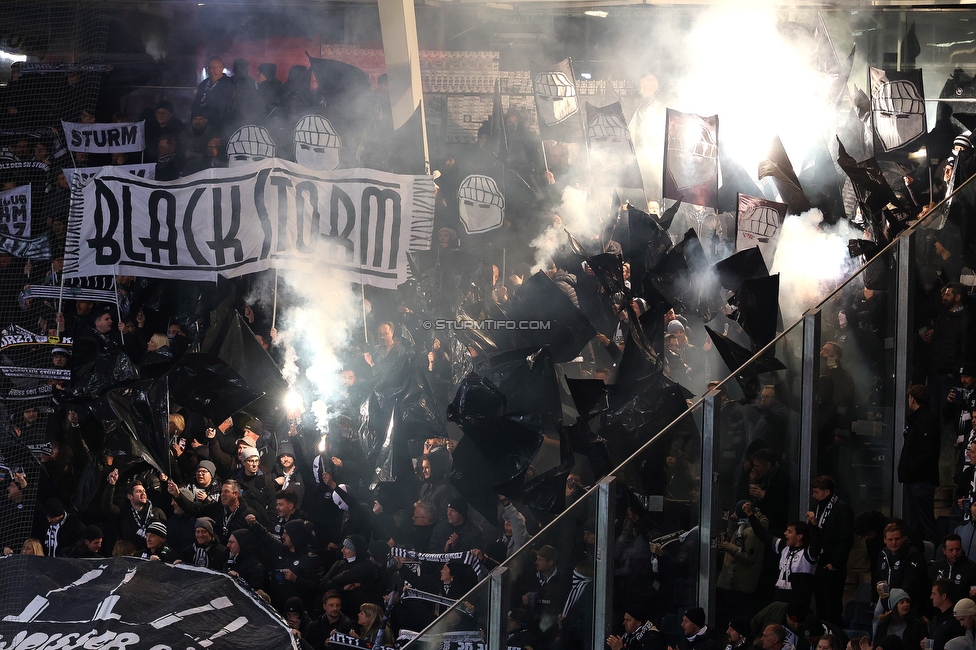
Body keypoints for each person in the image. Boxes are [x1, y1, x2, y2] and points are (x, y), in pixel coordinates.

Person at [744, 500, 820, 614]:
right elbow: (763, 535)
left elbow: (818, 543)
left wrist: (814, 526)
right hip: (779, 600)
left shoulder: (808, 553)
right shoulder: (784, 547)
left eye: (789, 532)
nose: (785, 533)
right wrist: (751, 515)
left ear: (799, 536)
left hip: (799, 606)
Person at [807, 475, 855, 627]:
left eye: (816, 492)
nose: (813, 495)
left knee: (832, 607)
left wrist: (835, 564)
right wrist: (814, 525)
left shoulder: (842, 508)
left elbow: (846, 539)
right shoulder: (820, 507)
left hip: (833, 565)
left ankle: (835, 640)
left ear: (827, 492)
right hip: (820, 563)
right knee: (820, 606)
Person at [900, 384, 942, 543]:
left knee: (925, 522)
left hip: (921, 480)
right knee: (916, 524)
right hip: (914, 479)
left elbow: (927, 452)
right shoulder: (918, 420)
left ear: (913, 399)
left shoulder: (926, 420)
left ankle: (934, 556)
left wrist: (910, 469)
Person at [876, 523, 929, 611]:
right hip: (886, 597)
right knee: (877, 615)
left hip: (906, 599)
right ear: (885, 540)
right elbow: (877, 576)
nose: (894, 543)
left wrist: (895, 600)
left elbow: (910, 584)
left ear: (903, 538)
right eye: (890, 539)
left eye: (897, 539)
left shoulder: (913, 554)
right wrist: (878, 586)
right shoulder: (883, 554)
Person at [192, 56, 235, 135]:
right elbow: (196, 103)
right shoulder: (203, 84)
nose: (211, 70)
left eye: (214, 68)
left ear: (221, 68)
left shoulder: (229, 84)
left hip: (221, 125)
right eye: (209, 68)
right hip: (202, 124)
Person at [930, 534, 976, 600]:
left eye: (958, 549)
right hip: (938, 608)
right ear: (944, 551)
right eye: (951, 550)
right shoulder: (936, 567)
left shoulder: (971, 568)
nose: (955, 553)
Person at [926, 578, 966, 650]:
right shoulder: (935, 619)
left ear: (944, 596)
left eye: (934, 594)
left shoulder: (956, 620)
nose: (931, 597)